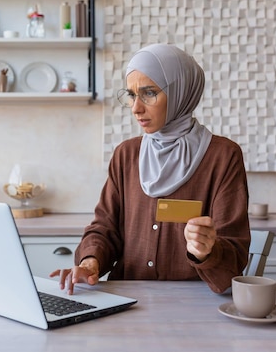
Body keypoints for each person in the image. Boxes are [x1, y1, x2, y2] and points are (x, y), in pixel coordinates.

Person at [50, 44, 250, 294]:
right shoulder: (126, 155)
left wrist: (207, 251)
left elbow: (234, 260)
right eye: (132, 95)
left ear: (180, 92)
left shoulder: (223, 156)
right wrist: (91, 262)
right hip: (126, 300)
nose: (136, 108)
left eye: (149, 93)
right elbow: (105, 227)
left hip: (194, 304)